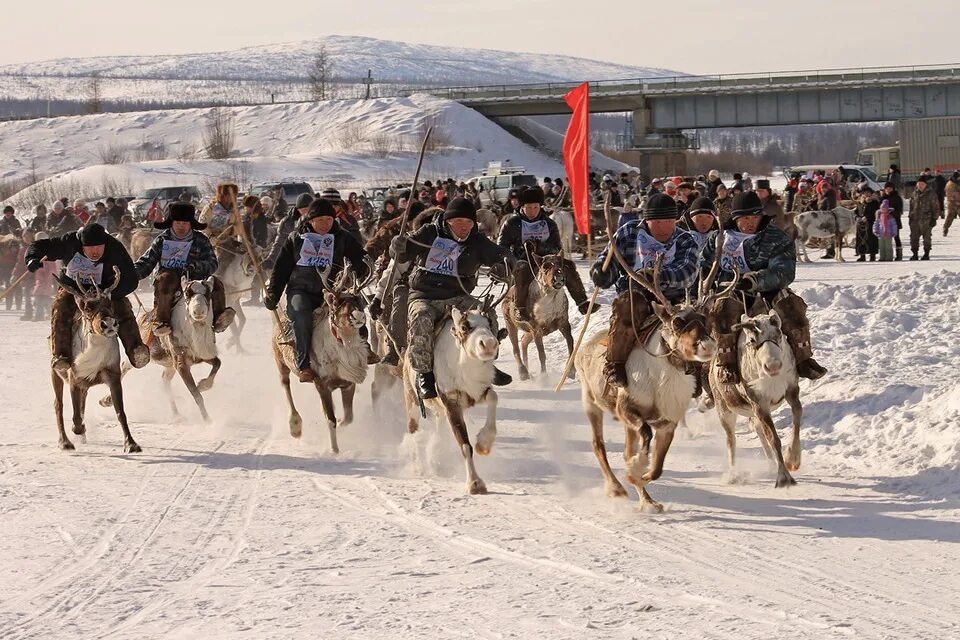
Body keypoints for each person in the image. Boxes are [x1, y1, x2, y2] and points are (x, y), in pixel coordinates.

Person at [393, 197, 516, 399]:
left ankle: (487, 364)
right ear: (448, 220)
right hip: (426, 295)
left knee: (486, 313)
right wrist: (397, 246)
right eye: (458, 221)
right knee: (421, 319)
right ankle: (424, 374)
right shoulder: (429, 233)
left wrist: (505, 264)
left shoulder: (476, 241)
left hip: (459, 296)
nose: (464, 227)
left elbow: (503, 254)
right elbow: (403, 251)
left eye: (469, 223)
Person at [700, 191, 827, 383]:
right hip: (729, 289)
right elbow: (705, 265)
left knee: (791, 306)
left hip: (767, 289)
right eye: (745, 218)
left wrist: (755, 280)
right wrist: (707, 285)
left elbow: (784, 271)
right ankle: (726, 364)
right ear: (736, 219)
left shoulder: (775, 237)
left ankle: (803, 358)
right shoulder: (719, 238)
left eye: (755, 217)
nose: (751, 222)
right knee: (722, 312)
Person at [590, 193, 701, 387]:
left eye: (669, 220)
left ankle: (697, 371)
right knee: (625, 310)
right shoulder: (629, 233)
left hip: (673, 299)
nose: (664, 227)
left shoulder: (685, 239)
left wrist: (657, 275)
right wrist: (601, 272)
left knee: (697, 322)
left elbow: (688, 272)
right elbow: (608, 260)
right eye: (657, 222)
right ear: (647, 220)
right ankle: (615, 365)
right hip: (636, 294)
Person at [263, 198, 375, 382]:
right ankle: (304, 363)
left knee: (355, 310)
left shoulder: (342, 237)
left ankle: (365, 348)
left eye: (329, 220)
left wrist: (358, 270)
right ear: (310, 220)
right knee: (301, 313)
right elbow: (281, 268)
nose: (325, 224)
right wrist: (274, 293)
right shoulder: (295, 239)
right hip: (301, 290)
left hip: (334, 291)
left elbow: (361, 258)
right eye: (320, 220)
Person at [25, 223, 150, 372]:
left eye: (99, 247)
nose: (95, 251)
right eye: (89, 248)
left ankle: (135, 349)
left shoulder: (114, 247)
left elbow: (130, 278)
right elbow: (41, 246)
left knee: (123, 308)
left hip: (104, 289)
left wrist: (110, 293)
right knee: (60, 309)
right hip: (73, 289)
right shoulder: (69, 242)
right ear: (81, 245)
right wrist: (32, 258)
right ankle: (61, 355)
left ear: (105, 243)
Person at [134, 203, 234, 336]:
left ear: (191, 224)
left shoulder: (201, 240)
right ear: (171, 223)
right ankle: (162, 321)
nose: (181, 226)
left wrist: (195, 266)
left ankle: (219, 318)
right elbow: (147, 262)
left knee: (215, 283)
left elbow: (212, 263)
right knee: (165, 279)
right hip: (169, 280)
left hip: (196, 279)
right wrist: (131, 273)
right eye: (178, 222)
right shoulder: (162, 240)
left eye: (185, 223)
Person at [496, 186, 591, 321]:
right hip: (521, 261)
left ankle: (582, 302)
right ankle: (520, 308)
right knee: (522, 269)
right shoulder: (511, 223)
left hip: (546, 262)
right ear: (522, 207)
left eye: (536, 207)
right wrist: (516, 254)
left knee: (568, 265)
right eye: (529, 208)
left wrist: (539, 246)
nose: (532, 211)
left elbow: (557, 247)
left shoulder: (549, 223)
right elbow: (502, 247)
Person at [908, 176, 938, 261]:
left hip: (927, 220)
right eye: (919, 184)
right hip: (915, 220)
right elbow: (911, 206)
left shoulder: (931, 193)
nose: (920, 185)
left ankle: (926, 254)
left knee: (927, 238)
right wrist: (910, 217)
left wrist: (934, 218)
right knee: (913, 237)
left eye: (922, 184)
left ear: (925, 184)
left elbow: (935, 207)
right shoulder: (914, 193)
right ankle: (915, 254)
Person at [855, 186, 880, 262]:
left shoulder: (875, 202)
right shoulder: (860, 203)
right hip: (861, 224)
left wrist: (868, 217)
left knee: (871, 239)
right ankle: (862, 255)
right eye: (865, 193)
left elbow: (875, 212)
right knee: (861, 239)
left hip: (871, 223)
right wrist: (857, 217)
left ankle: (872, 255)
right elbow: (856, 212)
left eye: (868, 193)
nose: (867, 194)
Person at [882, 182, 905, 260]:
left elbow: (900, 210)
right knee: (884, 238)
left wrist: (892, 212)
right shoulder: (882, 198)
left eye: (889, 188)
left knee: (896, 237)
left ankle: (899, 254)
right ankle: (886, 254)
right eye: (886, 188)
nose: (888, 190)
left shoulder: (897, 197)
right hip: (884, 221)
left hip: (894, 221)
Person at [943, 172, 960, 236]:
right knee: (950, 217)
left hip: (954, 203)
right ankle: (945, 228)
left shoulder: (954, 183)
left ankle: (945, 228)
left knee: (950, 217)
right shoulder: (951, 184)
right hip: (954, 203)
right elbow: (955, 195)